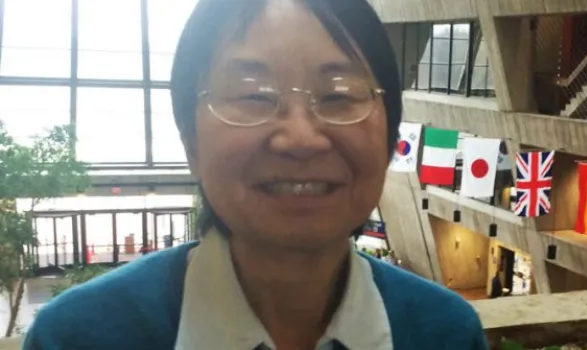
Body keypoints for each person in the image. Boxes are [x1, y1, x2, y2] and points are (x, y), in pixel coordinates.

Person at [24, 0, 488, 349]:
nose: (300, 138)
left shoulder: (444, 332)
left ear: (390, 136)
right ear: (189, 141)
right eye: (252, 95)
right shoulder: (80, 337)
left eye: (339, 94)